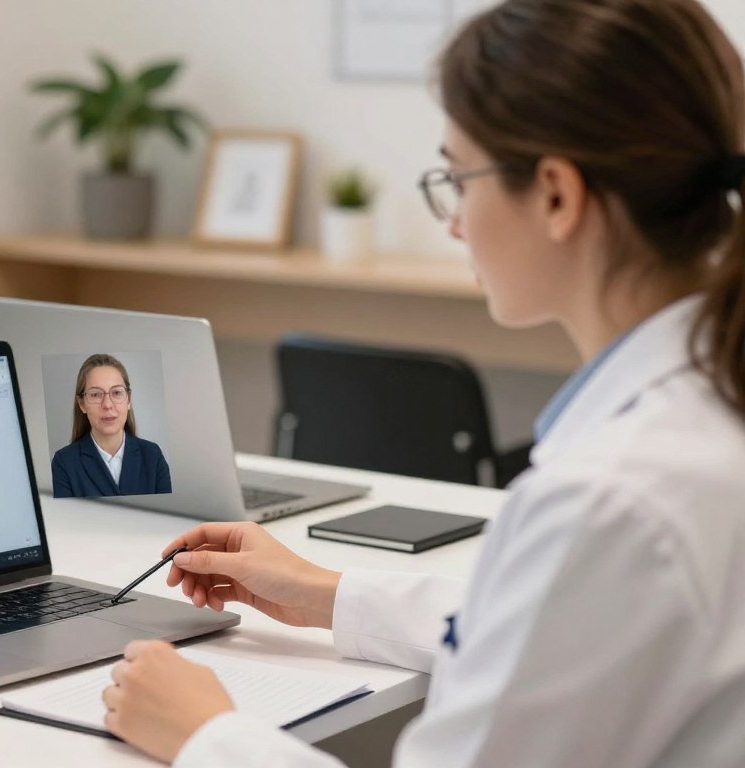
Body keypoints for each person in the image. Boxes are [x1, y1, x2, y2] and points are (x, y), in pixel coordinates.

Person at [100, 0, 745, 765]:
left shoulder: (611, 498)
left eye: (457, 177)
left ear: (556, 196)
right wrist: (329, 592)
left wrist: (205, 733)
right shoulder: (695, 420)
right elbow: (558, 628)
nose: (452, 220)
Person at [52, 353, 172, 498]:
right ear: (82, 404)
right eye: (96, 394)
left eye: (116, 392)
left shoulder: (153, 456)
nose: (107, 405)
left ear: (128, 400)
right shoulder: (64, 463)